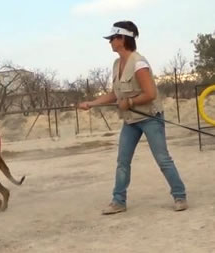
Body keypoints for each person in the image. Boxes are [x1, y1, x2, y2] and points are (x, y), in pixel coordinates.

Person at [78, 21, 187, 215]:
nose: (110, 42)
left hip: (150, 117)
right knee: (123, 161)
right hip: (130, 121)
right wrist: (92, 103)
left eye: (112, 38)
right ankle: (118, 200)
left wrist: (128, 102)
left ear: (122, 39)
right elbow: (115, 94)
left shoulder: (139, 63)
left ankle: (180, 196)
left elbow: (151, 93)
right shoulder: (116, 64)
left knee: (163, 159)